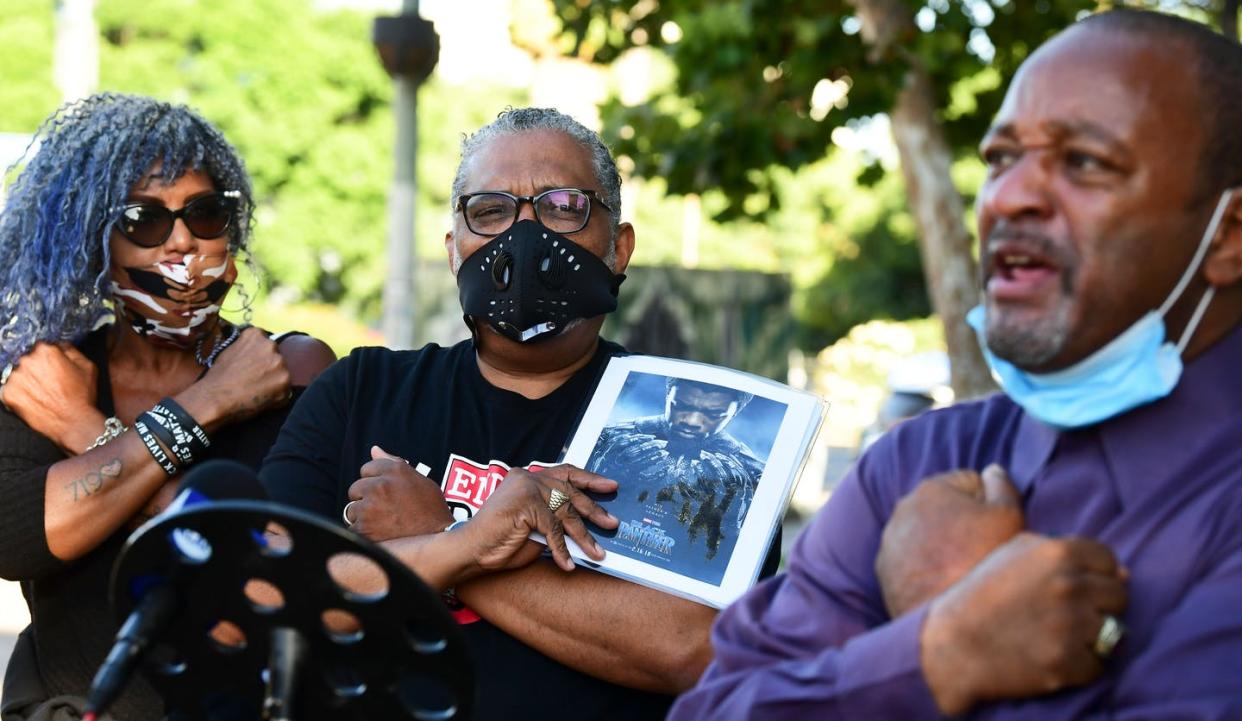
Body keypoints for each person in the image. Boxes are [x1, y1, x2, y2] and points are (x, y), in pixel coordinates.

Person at [669, 9, 1242, 720]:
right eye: (1002, 158)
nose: (1006, 197)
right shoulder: (913, 464)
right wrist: (940, 651)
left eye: (1085, 162)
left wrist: (935, 648)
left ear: (1229, 234)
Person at [260, 107, 775, 720]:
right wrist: (474, 543)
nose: (525, 236)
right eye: (490, 211)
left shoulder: (697, 422)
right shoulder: (359, 389)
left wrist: (447, 539)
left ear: (619, 247)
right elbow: (265, 595)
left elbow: (696, 650)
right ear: (455, 251)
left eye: (563, 206)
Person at [0, 93, 336, 721]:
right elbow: (18, 540)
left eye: (205, 214)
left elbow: (269, 577)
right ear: (92, 242)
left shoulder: (294, 369)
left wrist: (83, 430)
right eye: (143, 219)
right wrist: (209, 403)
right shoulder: (49, 375)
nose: (182, 241)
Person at [588, 378, 763, 562]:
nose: (692, 421)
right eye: (680, 406)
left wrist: (730, 518)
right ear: (668, 396)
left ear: (734, 413)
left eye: (714, 414)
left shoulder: (754, 474)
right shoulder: (607, 438)